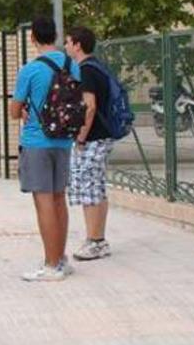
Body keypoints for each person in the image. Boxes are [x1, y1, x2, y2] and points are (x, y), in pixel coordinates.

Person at [10, 17, 81, 282]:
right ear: (56, 36)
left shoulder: (30, 70)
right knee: (59, 198)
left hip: (37, 142)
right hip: (64, 140)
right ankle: (61, 259)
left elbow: (15, 110)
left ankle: (51, 265)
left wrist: (26, 107)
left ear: (33, 38)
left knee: (43, 203)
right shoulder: (72, 65)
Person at [64, 26, 115, 261]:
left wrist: (81, 137)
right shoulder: (97, 67)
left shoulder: (85, 71)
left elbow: (90, 106)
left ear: (77, 45)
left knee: (89, 189)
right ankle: (99, 239)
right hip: (103, 135)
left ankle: (94, 241)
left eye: (68, 42)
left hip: (92, 138)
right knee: (97, 187)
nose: (66, 47)